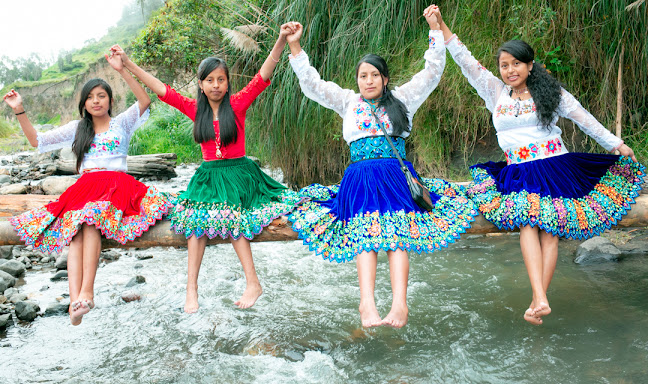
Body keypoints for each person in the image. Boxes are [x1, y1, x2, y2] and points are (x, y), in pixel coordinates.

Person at [433, 8, 645, 325]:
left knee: (550, 232)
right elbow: (465, 59)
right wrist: (440, 26)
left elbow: (586, 121)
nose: (509, 70)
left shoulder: (552, 93)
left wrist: (616, 145)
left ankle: (538, 301)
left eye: (516, 63)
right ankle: (540, 299)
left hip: (555, 167)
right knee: (528, 222)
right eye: (504, 65)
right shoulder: (494, 91)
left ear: (530, 65)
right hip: (518, 170)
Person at [285, 6, 478, 329]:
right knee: (365, 232)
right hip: (360, 179)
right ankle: (367, 305)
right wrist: (295, 45)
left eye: (375, 75)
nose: (369, 80)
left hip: (395, 177)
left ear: (385, 79)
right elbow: (312, 83)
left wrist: (434, 28)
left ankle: (400, 305)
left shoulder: (402, 99)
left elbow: (432, 71)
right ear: (357, 80)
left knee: (397, 233)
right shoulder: (348, 101)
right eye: (363, 75)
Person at [113, 25, 303, 313]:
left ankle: (253, 282)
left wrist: (280, 40)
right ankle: (192, 290)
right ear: (201, 84)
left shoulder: (237, 105)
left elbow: (263, 75)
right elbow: (161, 89)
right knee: (193, 222)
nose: (216, 85)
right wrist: (127, 63)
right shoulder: (194, 109)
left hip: (239, 174)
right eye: (210, 80)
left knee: (230, 213)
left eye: (221, 80)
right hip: (208, 176)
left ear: (227, 83)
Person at [3, 49, 171, 325]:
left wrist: (122, 69)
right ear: (83, 103)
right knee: (75, 232)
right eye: (91, 97)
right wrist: (19, 109)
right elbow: (37, 141)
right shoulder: (77, 129)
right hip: (86, 188)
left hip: (117, 187)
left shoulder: (122, 123)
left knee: (89, 219)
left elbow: (144, 99)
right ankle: (75, 303)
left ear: (110, 100)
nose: (96, 101)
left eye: (101, 96)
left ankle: (87, 293)